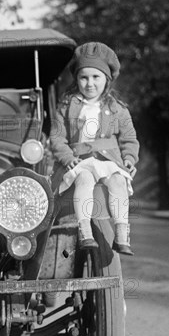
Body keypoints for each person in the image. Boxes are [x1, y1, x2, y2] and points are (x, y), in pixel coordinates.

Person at [50, 42, 140, 255]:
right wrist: (67, 157)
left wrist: (129, 158)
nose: (89, 84)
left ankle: (121, 232)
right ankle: (85, 231)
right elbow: (57, 137)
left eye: (95, 77)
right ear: (77, 79)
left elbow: (129, 138)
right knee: (84, 180)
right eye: (84, 77)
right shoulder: (67, 106)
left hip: (107, 161)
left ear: (106, 79)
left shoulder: (116, 108)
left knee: (118, 180)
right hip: (79, 161)